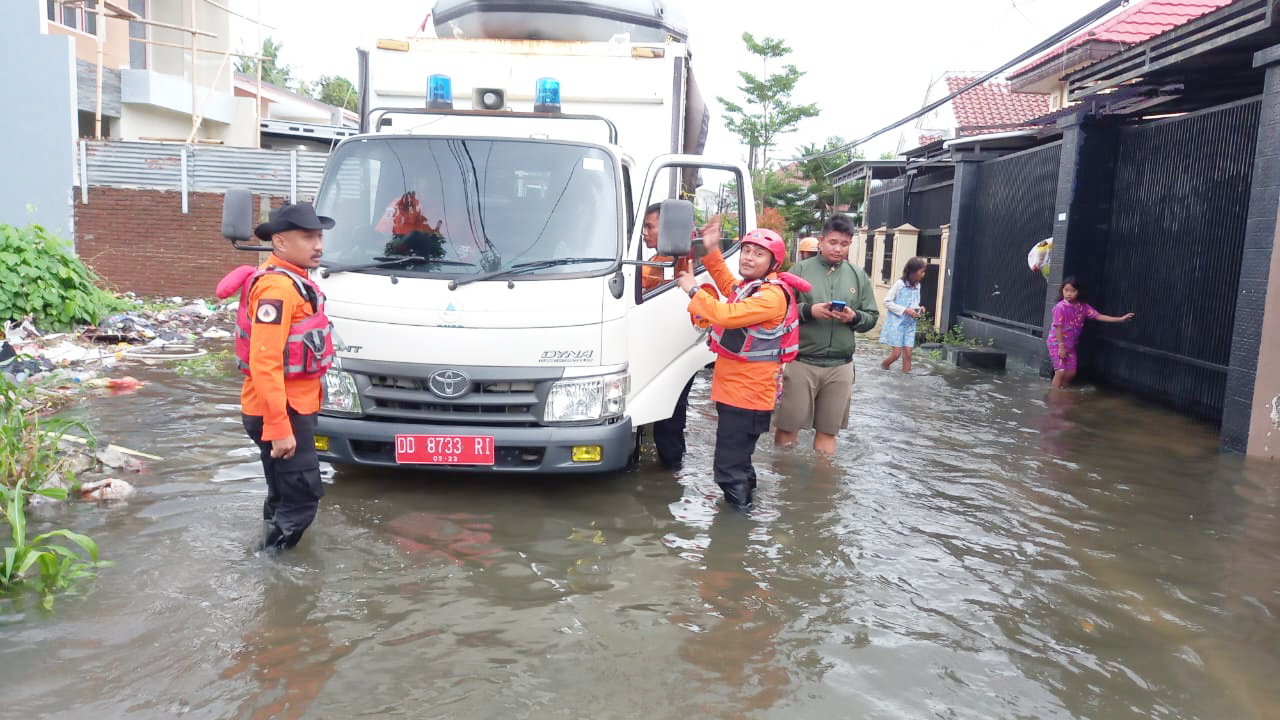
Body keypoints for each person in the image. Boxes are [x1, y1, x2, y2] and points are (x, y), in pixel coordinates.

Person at [217, 203, 335, 551]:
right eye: (308, 237)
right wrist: (280, 429)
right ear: (280, 243)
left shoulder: (295, 281)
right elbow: (264, 363)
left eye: (319, 236)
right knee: (300, 501)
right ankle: (275, 579)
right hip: (281, 412)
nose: (318, 246)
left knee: (282, 494)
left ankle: (265, 557)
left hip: (286, 408)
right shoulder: (278, 290)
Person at [675, 220, 810, 513]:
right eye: (746, 250)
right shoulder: (752, 287)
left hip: (747, 397)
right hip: (736, 392)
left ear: (773, 262)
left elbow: (726, 315)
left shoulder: (771, 296)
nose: (748, 257)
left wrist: (692, 290)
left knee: (728, 468)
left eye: (758, 254)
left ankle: (736, 531)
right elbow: (726, 283)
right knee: (739, 463)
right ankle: (746, 513)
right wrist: (711, 250)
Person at [773, 216, 879, 455]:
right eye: (833, 242)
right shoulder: (800, 270)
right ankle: (784, 483)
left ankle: (823, 484)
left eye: (844, 243)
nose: (838, 248)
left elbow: (871, 317)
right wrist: (810, 311)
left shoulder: (857, 275)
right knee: (787, 429)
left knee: (828, 432)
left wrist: (854, 317)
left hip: (840, 367)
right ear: (821, 241)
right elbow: (779, 310)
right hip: (801, 362)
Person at [640, 201, 696, 467]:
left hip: (674, 352)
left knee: (670, 417)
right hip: (656, 350)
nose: (644, 233)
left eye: (649, 226)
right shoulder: (655, 261)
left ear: (669, 229)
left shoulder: (683, 260)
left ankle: (672, 471)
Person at [1047, 275, 1135, 389]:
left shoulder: (1083, 307)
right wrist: (1061, 346)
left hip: (1071, 345)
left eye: (1072, 291)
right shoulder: (1060, 308)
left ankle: (1060, 393)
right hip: (1057, 343)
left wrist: (1120, 319)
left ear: (1078, 292)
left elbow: (1098, 316)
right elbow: (1057, 327)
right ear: (1062, 291)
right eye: (1066, 290)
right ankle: (1053, 397)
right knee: (1060, 372)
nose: (1069, 293)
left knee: (1071, 373)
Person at [880, 257, 928, 373]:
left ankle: (906, 380)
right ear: (912, 271)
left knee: (908, 355)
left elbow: (914, 304)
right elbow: (886, 302)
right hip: (897, 324)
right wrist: (905, 310)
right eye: (921, 272)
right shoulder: (899, 284)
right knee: (896, 354)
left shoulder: (918, 286)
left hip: (910, 325)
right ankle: (882, 368)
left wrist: (919, 308)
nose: (923, 275)